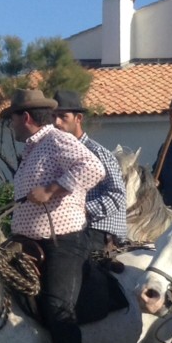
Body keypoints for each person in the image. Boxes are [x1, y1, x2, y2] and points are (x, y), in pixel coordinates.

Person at [3, 88, 105, 343]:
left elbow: (93, 168)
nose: (11, 126)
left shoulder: (55, 140)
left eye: (12, 119)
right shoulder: (33, 149)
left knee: (59, 310)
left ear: (27, 118)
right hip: (30, 239)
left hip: (63, 240)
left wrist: (51, 189)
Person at [53, 90, 128, 252]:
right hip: (71, 229)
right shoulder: (56, 154)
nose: (57, 122)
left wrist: (83, 209)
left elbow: (117, 195)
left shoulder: (97, 152)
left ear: (78, 119)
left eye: (63, 116)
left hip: (98, 231)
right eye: (53, 117)